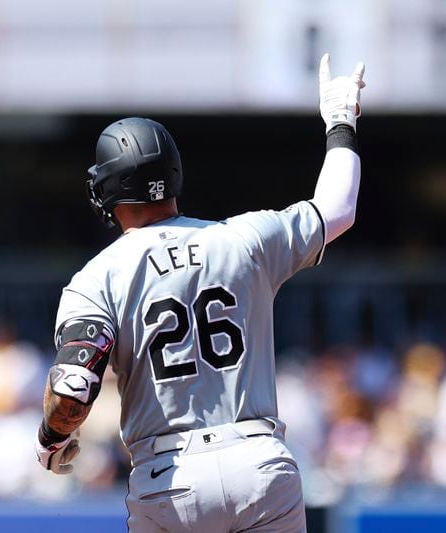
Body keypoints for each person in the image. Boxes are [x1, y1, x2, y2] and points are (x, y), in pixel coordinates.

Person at [36, 53, 365, 532]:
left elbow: (73, 386)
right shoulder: (245, 237)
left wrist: (52, 439)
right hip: (260, 463)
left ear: (107, 190)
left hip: (170, 476)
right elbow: (338, 207)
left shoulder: (95, 278)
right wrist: (341, 122)